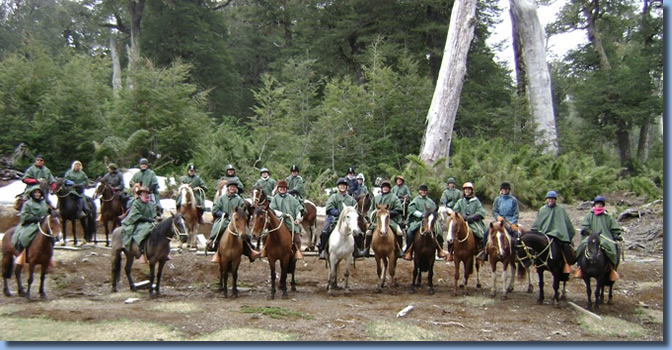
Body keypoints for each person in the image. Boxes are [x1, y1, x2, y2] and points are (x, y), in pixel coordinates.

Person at [208, 180, 259, 262]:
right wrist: (222, 214)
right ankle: (214, 245)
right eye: (231, 187)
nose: (232, 188)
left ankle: (250, 250)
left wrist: (240, 214)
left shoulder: (239, 199)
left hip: (237, 220)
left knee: (245, 232)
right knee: (218, 229)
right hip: (224, 219)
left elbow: (244, 211)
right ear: (228, 188)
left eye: (234, 187)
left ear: (236, 189)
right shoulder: (221, 198)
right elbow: (215, 210)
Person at [575, 195, 622, 279]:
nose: (598, 205)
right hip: (590, 237)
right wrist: (586, 231)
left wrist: (616, 235)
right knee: (581, 247)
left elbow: (614, 227)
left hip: (605, 237)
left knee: (611, 249)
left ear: (603, 205)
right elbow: (585, 226)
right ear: (594, 205)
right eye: (597, 204)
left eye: (600, 204)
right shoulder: (589, 215)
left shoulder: (608, 216)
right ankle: (580, 267)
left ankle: (611, 268)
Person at [529, 190, 577, 268]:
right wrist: (535, 231)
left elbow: (566, 222)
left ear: (555, 199)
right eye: (549, 198)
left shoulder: (560, 209)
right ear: (546, 199)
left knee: (565, 246)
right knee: (534, 245)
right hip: (544, 233)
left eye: (552, 198)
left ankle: (568, 263)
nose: (551, 200)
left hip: (558, 234)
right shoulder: (542, 209)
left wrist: (568, 234)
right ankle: (535, 262)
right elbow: (538, 222)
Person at [402, 184, 447, 261]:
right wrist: (421, 215)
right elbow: (412, 210)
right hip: (418, 220)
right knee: (410, 232)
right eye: (422, 191)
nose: (423, 192)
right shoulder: (415, 200)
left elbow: (434, 211)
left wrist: (432, 215)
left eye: (425, 191)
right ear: (419, 191)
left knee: (438, 231)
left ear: (426, 192)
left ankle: (440, 250)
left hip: (429, 220)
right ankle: (408, 250)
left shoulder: (430, 201)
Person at [318, 177, 357, 260]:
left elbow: (355, 210)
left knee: (357, 231)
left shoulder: (351, 199)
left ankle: (357, 251)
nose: (342, 187)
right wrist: (337, 213)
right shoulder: (333, 197)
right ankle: (322, 249)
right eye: (341, 185)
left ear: (347, 187)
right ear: (338, 187)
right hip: (333, 218)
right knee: (325, 231)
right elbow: (329, 208)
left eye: (344, 185)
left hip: (347, 221)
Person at [362, 180, 403, 257]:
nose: (385, 188)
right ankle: (366, 249)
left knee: (399, 231)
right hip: (377, 220)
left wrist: (387, 213)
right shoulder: (376, 198)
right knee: (368, 232)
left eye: (386, 187)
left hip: (390, 220)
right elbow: (371, 209)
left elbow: (398, 210)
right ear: (381, 188)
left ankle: (399, 249)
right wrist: (371, 215)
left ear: (389, 188)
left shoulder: (394, 198)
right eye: (383, 187)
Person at [11, 185, 50, 266]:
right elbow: (24, 216)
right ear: (32, 194)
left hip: (43, 224)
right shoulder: (28, 204)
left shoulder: (44, 203)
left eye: (38, 192)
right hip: (30, 224)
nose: (37, 194)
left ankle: (49, 256)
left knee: (51, 236)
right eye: (35, 193)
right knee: (25, 236)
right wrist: (36, 218)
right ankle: (22, 253)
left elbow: (47, 212)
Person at [268, 180, 304, 260]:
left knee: (297, 240)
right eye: (280, 188)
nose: (282, 189)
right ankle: (265, 251)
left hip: (291, 223)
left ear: (286, 188)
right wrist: (282, 214)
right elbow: (272, 209)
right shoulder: (275, 199)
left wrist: (298, 218)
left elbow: (298, 208)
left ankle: (296, 253)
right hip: (279, 222)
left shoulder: (291, 198)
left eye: (284, 188)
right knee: (267, 235)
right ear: (278, 189)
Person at [120, 186, 156, 263]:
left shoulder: (150, 203)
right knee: (146, 229)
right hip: (137, 222)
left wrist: (155, 218)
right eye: (144, 193)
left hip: (149, 222)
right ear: (140, 194)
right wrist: (148, 219)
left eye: (147, 193)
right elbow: (136, 215)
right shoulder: (136, 202)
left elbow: (153, 214)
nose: (146, 194)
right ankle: (142, 253)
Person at [453, 182, 487, 262]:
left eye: (469, 190)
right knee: (452, 234)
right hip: (462, 222)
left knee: (481, 234)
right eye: (466, 189)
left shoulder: (476, 201)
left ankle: (481, 251)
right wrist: (461, 216)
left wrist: (472, 217)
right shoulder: (460, 201)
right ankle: (451, 252)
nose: (467, 191)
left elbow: (480, 212)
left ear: (471, 191)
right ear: (464, 191)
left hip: (474, 222)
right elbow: (455, 211)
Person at [490, 181, 521, 259]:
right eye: (503, 189)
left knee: (516, 234)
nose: (504, 191)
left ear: (509, 190)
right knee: (487, 233)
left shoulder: (513, 200)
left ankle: (516, 252)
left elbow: (516, 213)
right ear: (501, 190)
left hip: (510, 221)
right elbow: (494, 211)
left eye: (506, 189)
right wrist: (498, 217)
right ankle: (485, 252)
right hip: (499, 221)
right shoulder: (497, 199)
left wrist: (513, 222)